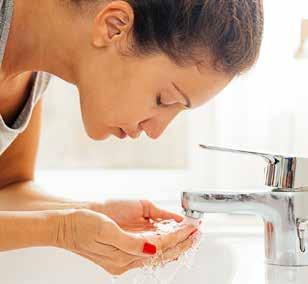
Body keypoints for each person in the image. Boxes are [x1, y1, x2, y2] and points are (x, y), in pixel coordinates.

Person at [0, 0, 264, 277]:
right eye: (164, 99)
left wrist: (92, 213)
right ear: (114, 27)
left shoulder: (33, 66)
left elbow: (6, 190)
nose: (156, 131)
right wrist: (62, 230)